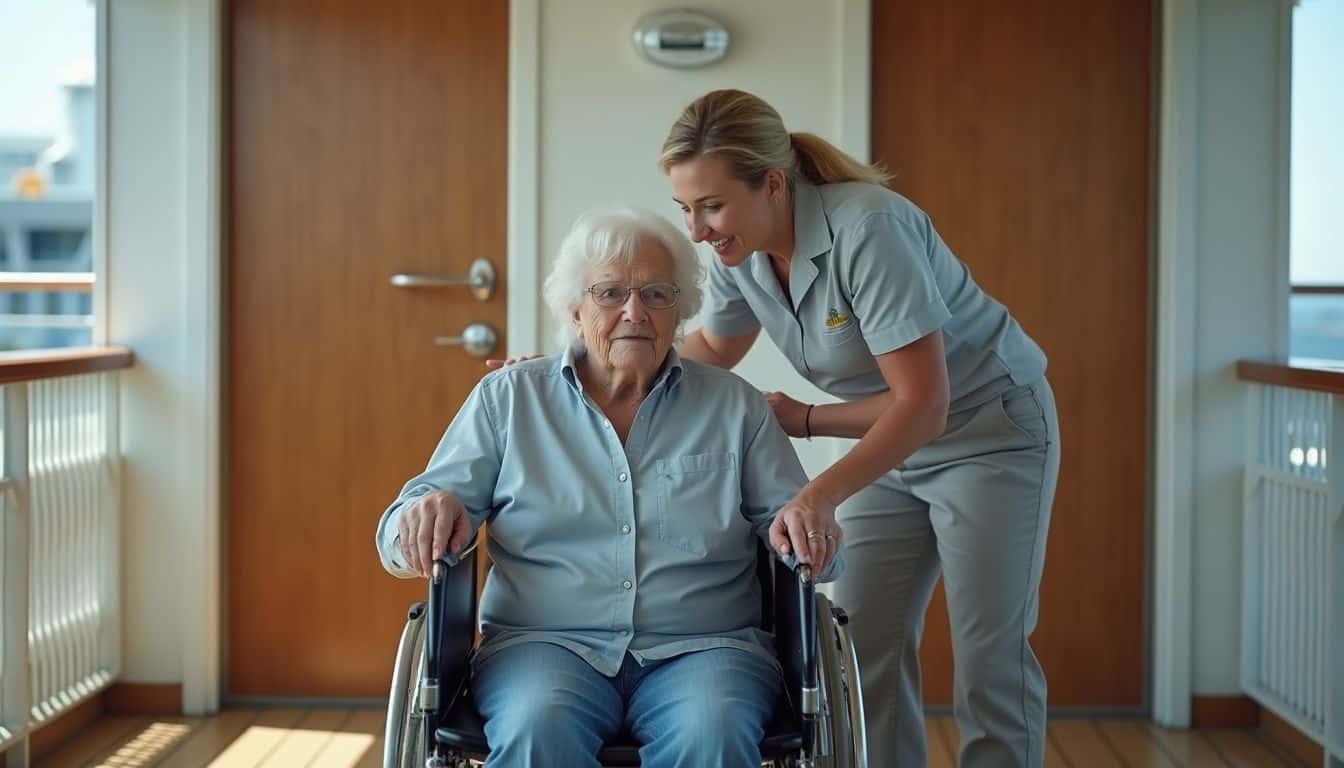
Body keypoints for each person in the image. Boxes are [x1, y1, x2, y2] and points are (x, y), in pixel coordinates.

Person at [657, 89, 1062, 767]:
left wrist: (814, 465)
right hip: (895, 446)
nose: (697, 230)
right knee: (862, 644)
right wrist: (579, 369)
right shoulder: (742, 253)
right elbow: (709, 352)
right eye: (686, 209)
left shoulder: (869, 229)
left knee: (989, 656)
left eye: (712, 205)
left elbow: (925, 403)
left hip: (988, 432)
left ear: (773, 184)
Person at [376, 207, 843, 768]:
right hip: (541, 646)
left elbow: (806, 538)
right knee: (535, 729)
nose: (634, 312)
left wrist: (810, 532)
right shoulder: (509, 400)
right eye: (609, 293)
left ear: (682, 311)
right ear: (575, 311)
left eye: (656, 294)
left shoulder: (734, 407)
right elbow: (395, 537)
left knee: (712, 733)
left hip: (706, 650)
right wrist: (424, 517)